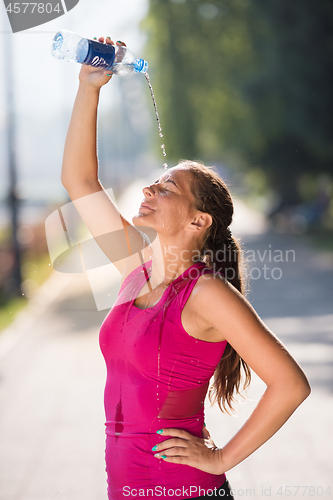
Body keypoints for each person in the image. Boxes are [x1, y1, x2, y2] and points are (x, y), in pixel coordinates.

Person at [61, 36, 311, 500]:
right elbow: (79, 181)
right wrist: (89, 88)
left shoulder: (206, 293)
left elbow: (291, 384)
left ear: (199, 220)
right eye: (153, 184)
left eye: (167, 188)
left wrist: (220, 459)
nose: (150, 190)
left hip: (184, 492)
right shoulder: (136, 268)